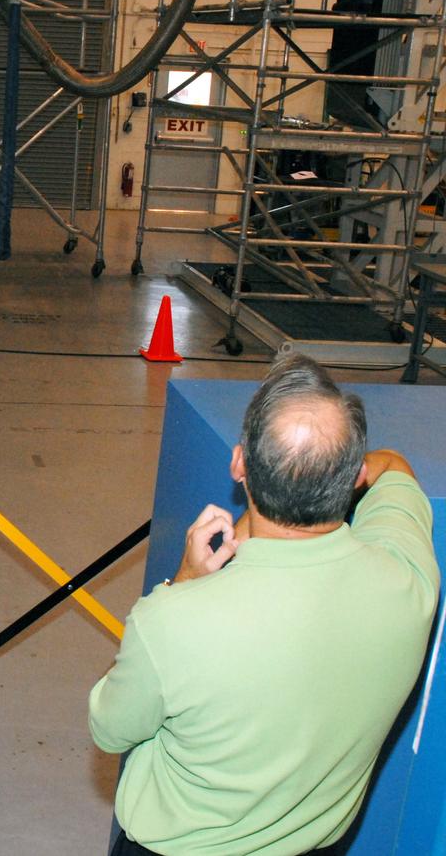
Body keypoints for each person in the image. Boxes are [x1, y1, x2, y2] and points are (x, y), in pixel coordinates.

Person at [89, 352, 439, 855]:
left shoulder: (173, 620)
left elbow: (110, 726)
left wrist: (185, 581)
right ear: (353, 474)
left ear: (239, 465)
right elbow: (395, 467)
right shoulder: (408, 577)